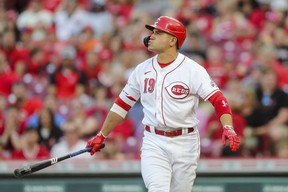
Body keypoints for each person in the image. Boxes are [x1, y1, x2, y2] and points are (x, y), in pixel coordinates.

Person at [86, 16, 240, 192]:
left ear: (172, 40)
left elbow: (218, 99)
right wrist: (102, 134)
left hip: (186, 141)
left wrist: (228, 127)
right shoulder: (142, 70)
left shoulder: (193, 70)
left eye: (158, 32)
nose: (151, 36)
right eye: (152, 32)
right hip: (154, 140)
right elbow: (121, 105)